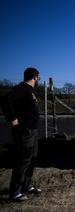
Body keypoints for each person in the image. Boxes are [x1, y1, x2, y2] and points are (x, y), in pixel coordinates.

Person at [1, 68, 42, 202]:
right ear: (35, 77)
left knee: (32, 159)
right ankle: (15, 192)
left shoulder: (30, 91)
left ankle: (27, 185)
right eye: (39, 78)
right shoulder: (22, 89)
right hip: (25, 131)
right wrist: (12, 119)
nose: (39, 80)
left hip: (33, 131)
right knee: (23, 160)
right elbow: (6, 100)